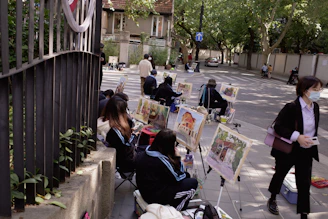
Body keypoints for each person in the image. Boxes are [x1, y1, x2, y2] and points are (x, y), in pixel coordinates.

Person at [267, 76, 323, 219]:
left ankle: (303, 213)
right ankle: (272, 198)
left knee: (304, 183)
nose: (319, 92)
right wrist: (297, 136)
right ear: (305, 91)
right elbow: (278, 127)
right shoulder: (291, 107)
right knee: (280, 174)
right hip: (289, 150)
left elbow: (312, 128)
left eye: (320, 89)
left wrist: (310, 140)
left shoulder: (315, 107)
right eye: (315, 89)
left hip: (307, 151)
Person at [135, 129, 198, 211]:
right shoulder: (162, 162)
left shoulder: (146, 151)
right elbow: (179, 177)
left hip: (145, 190)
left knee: (184, 178)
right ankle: (177, 211)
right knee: (192, 183)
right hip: (153, 197)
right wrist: (178, 159)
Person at [105, 96, 136, 172]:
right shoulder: (114, 130)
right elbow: (125, 146)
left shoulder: (111, 125)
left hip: (121, 157)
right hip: (124, 161)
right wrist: (134, 136)